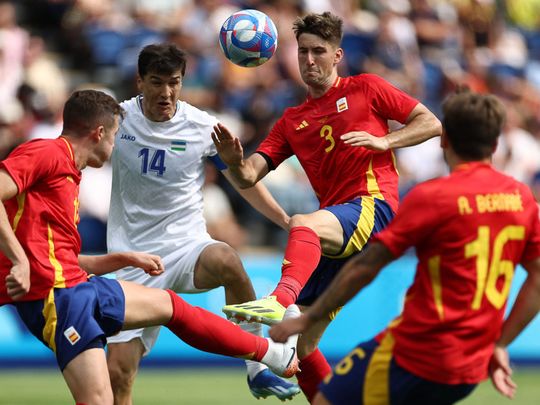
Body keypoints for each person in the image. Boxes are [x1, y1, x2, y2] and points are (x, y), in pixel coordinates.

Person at [0, 89, 301, 405]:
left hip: (76, 286)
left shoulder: (70, 171)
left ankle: (273, 354)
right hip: (55, 299)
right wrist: (18, 260)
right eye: (115, 136)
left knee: (171, 306)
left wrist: (120, 259)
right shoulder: (48, 153)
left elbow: (54, 254)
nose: (115, 144)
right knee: (102, 399)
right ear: (98, 133)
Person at [212, 11, 441, 401]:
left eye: (319, 51)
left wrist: (386, 142)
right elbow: (250, 175)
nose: (309, 60)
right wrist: (233, 160)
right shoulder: (292, 120)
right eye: (303, 52)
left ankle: (277, 300)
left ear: (337, 56)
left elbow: (430, 122)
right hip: (337, 233)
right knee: (303, 343)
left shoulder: (366, 89)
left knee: (304, 222)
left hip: (373, 208)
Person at [269, 90, 540, 404]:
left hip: (417, 352)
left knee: (326, 400)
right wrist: (501, 343)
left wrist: (308, 316)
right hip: (470, 366)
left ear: (444, 141)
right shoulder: (522, 198)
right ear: (495, 144)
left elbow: (367, 265)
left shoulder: (434, 197)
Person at [105, 43, 300, 403]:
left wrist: (285, 220)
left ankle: (256, 366)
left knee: (227, 260)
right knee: (119, 373)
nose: (166, 92)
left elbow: (244, 182)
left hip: (185, 247)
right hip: (130, 258)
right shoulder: (118, 119)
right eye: (156, 82)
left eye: (174, 82)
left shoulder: (202, 126)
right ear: (139, 81)